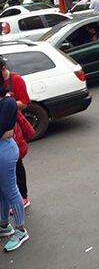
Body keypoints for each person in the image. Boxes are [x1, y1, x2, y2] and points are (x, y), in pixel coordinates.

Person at [0, 81, 29, 252]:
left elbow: (2, 129)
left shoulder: (8, 102)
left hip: (5, 150)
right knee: (2, 190)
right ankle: (4, 225)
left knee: (11, 190)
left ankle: (20, 230)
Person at [1, 60, 31, 209]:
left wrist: (8, 102)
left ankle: (23, 196)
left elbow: (25, 103)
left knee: (17, 163)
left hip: (13, 125)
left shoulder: (16, 80)